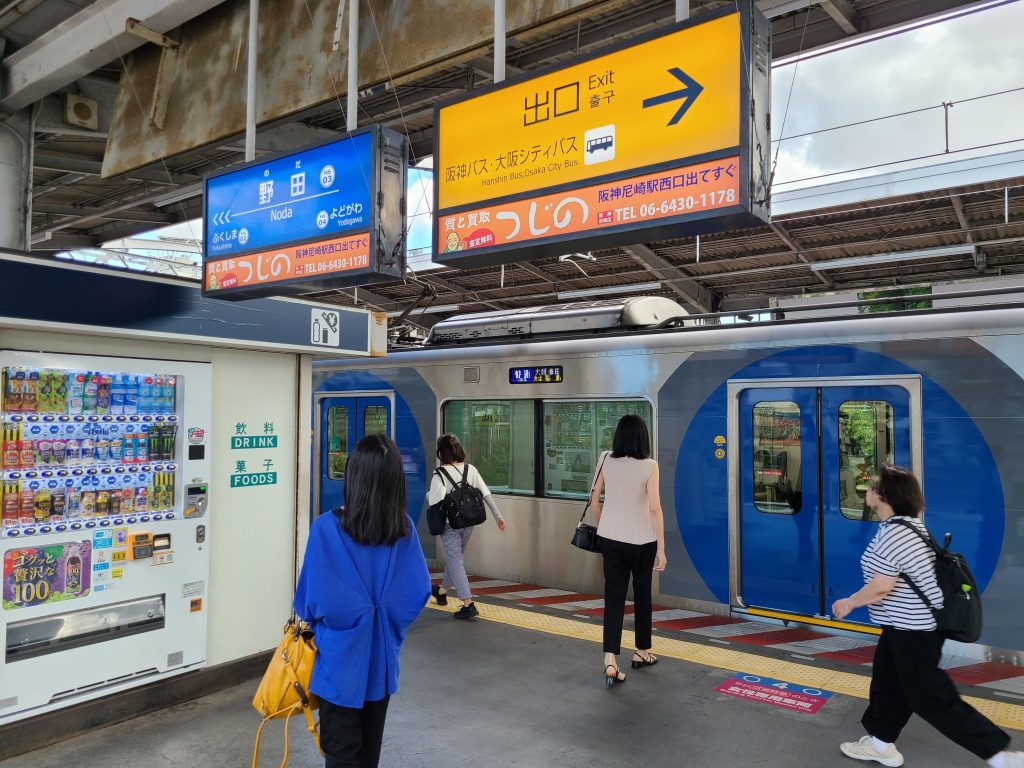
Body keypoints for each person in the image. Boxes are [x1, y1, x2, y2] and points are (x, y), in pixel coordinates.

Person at [833, 465, 1023, 768]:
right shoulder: (904, 525)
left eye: (871, 485)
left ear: (884, 495)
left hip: (915, 630)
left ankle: (999, 753)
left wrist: (849, 602)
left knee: (929, 696)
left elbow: (883, 586)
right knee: (887, 684)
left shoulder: (896, 532)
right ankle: (881, 744)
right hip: (901, 626)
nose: (866, 489)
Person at [293, 433, 430, 768]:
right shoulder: (405, 530)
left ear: (352, 476)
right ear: (395, 482)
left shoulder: (326, 528)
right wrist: (383, 624)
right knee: (370, 756)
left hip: (338, 665)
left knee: (340, 754)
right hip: (381, 666)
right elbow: (416, 592)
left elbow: (311, 603)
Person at [590, 414, 667, 687]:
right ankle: (642, 651)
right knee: (642, 595)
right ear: (643, 438)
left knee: (614, 598)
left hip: (610, 540)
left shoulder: (604, 459)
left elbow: (593, 497)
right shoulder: (650, 466)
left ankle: (610, 660)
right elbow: (655, 508)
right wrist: (662, 546)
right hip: (642, 540)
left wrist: (605, 524)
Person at [427, 433, 506, 619]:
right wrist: (498, 516)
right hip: (469, 522)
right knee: (455, 559)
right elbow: (486, 494)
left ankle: (468, 604)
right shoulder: (471, 469)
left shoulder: (439, 474)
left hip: (450, 525)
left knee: (455, 560)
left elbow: (434, 500)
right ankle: (441, 592)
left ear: (441, 452)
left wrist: (428, 495)